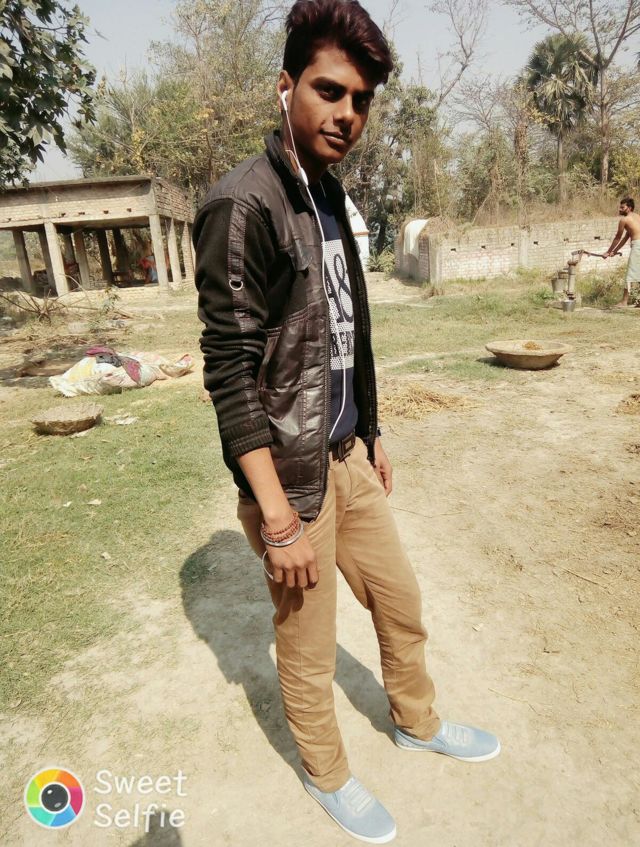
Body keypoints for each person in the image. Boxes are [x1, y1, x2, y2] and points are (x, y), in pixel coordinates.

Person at [193, 2, 499, 842]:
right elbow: (229, 373)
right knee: (308, 644)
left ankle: (417, 720)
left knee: (400, 599)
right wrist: (277, 517)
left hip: (347, 454)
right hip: (290, 481)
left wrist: (373, 431)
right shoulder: (241, 205)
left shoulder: (328, 194)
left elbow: (343, 329)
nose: (347, 114)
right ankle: (327, 772)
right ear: (286, 85)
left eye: (360, 100)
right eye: (329, 90)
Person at [604, 197, 640, 305]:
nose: (620, 209)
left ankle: (624, 301)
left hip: (638, 246)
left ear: (629, 208)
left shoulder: (624, 220)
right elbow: (626, 237)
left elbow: (617, 237)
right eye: (620, 207)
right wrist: (614, 251)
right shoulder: (637, 216)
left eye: (622, 207)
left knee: (630, 273)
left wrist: (608, 251)